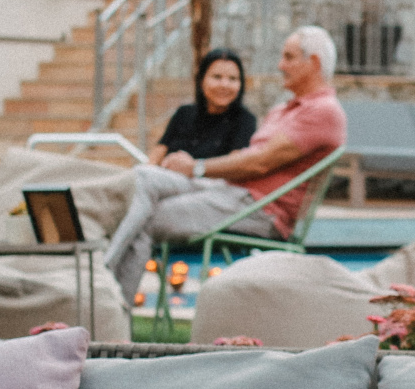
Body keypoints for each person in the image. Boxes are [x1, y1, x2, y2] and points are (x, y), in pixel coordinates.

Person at [107, 25, 349, 285]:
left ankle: (107, 288)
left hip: (259, 209)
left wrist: (197, 167)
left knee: (145, 218)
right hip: (230, 193)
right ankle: (105, 276)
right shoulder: (283, 109)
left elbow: (259, 163)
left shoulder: (323, 112)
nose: (280, 65)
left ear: (314, 63)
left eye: (288, 57)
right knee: (144, 176)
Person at [151, 48, 259, 165]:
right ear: (201, 80)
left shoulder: (245, 120)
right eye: (217, 77)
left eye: (232, 79)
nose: (224, 85)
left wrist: (193, 167)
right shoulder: (184, 113)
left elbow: (236, 165)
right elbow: (156, 156)